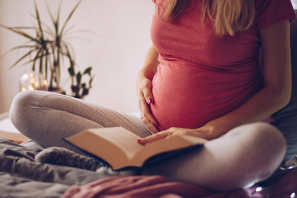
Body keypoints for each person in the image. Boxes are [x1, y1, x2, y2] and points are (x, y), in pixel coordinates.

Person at [9, 0, 296, 192]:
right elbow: (163, 43)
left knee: (265, 146)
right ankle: (153, 166)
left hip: (215, 142)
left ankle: (134, 166)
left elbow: (278, 91)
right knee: (26, 105)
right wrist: (143, 73)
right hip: (147, 132)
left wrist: (205, 132)